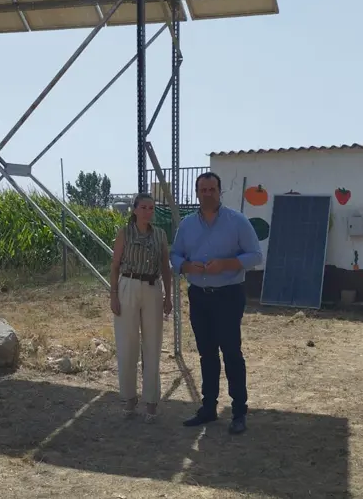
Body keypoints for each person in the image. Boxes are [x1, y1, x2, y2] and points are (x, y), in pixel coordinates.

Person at [169, 171, 262, 434]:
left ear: (220, 192)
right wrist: (185, 266)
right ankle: (208, 408)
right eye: (203, 190)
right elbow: (174, 255)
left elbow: (256, 255)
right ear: (197, 193)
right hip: (199, 296)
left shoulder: (237, 221)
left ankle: (239, 412)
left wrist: (227, 264)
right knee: (206, 354)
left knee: (231, 353)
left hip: (229, 295)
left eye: (212, 189)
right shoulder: (186, 225)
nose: (207, 194)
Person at [109, 193, 173, 422]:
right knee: (127, 343)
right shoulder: (124, 233)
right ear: (135, 210)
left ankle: (152, 401)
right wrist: (113, 294)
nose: (148, 211)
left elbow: (166, 267)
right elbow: (115, 265)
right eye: (144, 207)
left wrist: (168, 296)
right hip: (128, 284)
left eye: (151, 207)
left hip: (152, 287)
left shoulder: (160, 235)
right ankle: (129, 398)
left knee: (152, 344)